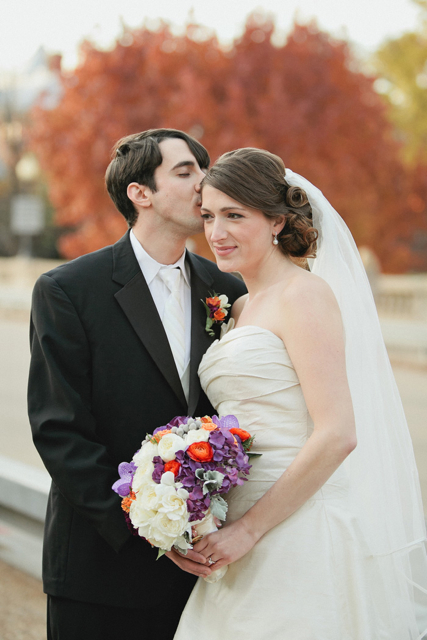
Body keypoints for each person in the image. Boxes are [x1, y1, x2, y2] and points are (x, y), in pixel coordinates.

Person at [173, 148, 427, 639]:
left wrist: (248, 531)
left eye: (234, 216)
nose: (216, 233)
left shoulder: (304, 295)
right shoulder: (239, 306)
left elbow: (337, 434)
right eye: (207, 216)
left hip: (299, 526)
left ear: (275, 221)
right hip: (235, 526)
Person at [27, 129, 246, 640]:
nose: (203, 184)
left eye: (204, 170)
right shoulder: (67, 291)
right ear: (140, 193)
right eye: (185, 171)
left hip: (208, 573)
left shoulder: (228, 289)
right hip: (100, 569)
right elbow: (59, 432)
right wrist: (152, 528)